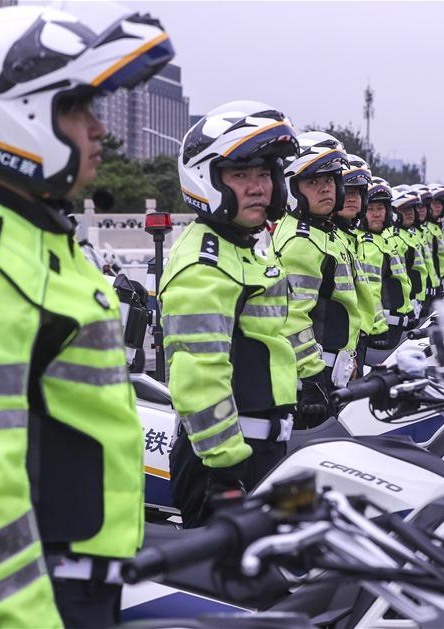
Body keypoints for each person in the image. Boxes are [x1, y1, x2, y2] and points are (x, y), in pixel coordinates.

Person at [0, 5, 175, 628]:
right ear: (13, 119)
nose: (98, 131)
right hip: (27, 599)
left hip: (74, 583)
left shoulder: (42, 242)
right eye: (77, 110)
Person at [161, 101, 299, 528]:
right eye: (241, 175)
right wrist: (224, 474)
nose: (258, 187)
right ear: (208, 180)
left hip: (264, 452)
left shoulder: (246, 245)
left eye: (264, 174)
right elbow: (199, 376)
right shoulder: (203, 263)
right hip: (224, 465)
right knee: (243, 590)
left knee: (294, 569)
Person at [270, 131, 359, 427]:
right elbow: (293, 317)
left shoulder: (323, 233)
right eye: (313, 182)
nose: (325, 189)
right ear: (293, 189)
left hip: (335, 373)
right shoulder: (301, 240)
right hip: (312, 384)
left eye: (330, 180)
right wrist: (311, 378)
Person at [332, 154, 384, 368]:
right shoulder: (322, 239)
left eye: (357, 192)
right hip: (334, 358)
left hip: (354, 346)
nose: (352, 198)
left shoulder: (347, 237)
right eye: (347, 191)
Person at [357, 177, 413, 349]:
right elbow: (370, 293)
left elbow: (401, 280)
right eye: (370, 209)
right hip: (382, 330)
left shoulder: (383, 240)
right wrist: (377, 329)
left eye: (380, 208)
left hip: (396, 325)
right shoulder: (366, 244)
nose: (376, 213)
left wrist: (409, 310)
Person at [388, 187, 428, 324]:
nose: (410, 213)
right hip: (400, 309)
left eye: (411, 209)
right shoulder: (393, 238)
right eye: (405, 210)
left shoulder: (409, 235)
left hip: (415, 304)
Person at [410, 184, 440, 312]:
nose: (421, 210)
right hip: (415, 298)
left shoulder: (424, 231)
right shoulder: (405, 235)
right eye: (417, 207)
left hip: (428, 292)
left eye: (424, 206)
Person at [427, 183, 444, 291]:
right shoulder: (426, 228)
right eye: (435, 203)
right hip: (431, 284)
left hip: (440, 280)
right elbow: (427, 258)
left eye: (441, 203)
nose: (438, 206)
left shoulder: (437, 227)